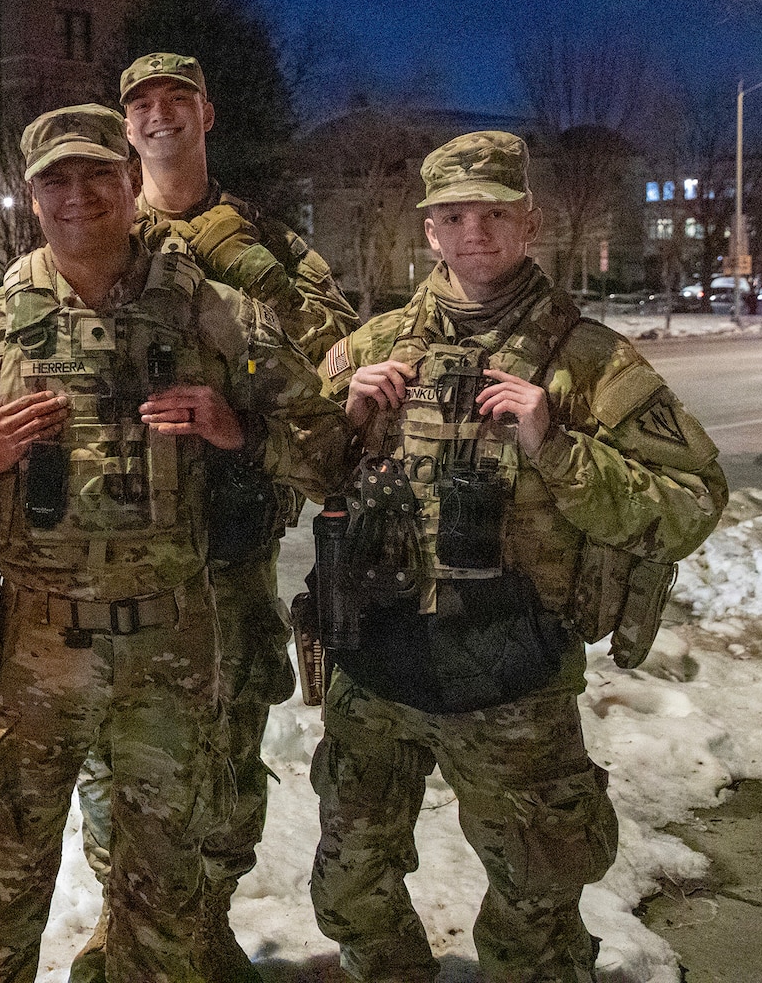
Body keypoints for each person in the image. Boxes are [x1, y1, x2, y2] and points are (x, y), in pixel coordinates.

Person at [0, 104, 349, 983]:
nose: (78, 197)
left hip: (171, 648)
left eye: (96, 175)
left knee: (163, 881)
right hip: (35, 647)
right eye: (55, 181)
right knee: (7, 872)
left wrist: (238, 431)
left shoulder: (218, 318)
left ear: (127, 184)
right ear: (31, 197)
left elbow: (331, 456)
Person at [311, 131, 727, 983]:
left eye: (493, 213)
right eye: (454, 216)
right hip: (376, 663)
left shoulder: (588, 359)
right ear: (429, 231)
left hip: (512, 675)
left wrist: (556, 445)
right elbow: (287, 479)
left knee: (536, 907)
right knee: (349, 884)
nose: (474, 233)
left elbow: (688, 505)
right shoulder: (372, 345)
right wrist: (340, 421)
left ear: (527, 222)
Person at [71, 52, 360, 982]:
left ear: (205, 112)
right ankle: (122, 931)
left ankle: (201, 925)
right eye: (140, 105)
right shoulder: (101, 224)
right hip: (119, 543)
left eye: (175, 101)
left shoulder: (264, 240)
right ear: (126, 126)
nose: (158, 117)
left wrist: (229, 262)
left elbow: (331, 359)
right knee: (115, 763)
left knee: (228, 752)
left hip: (228, 539)